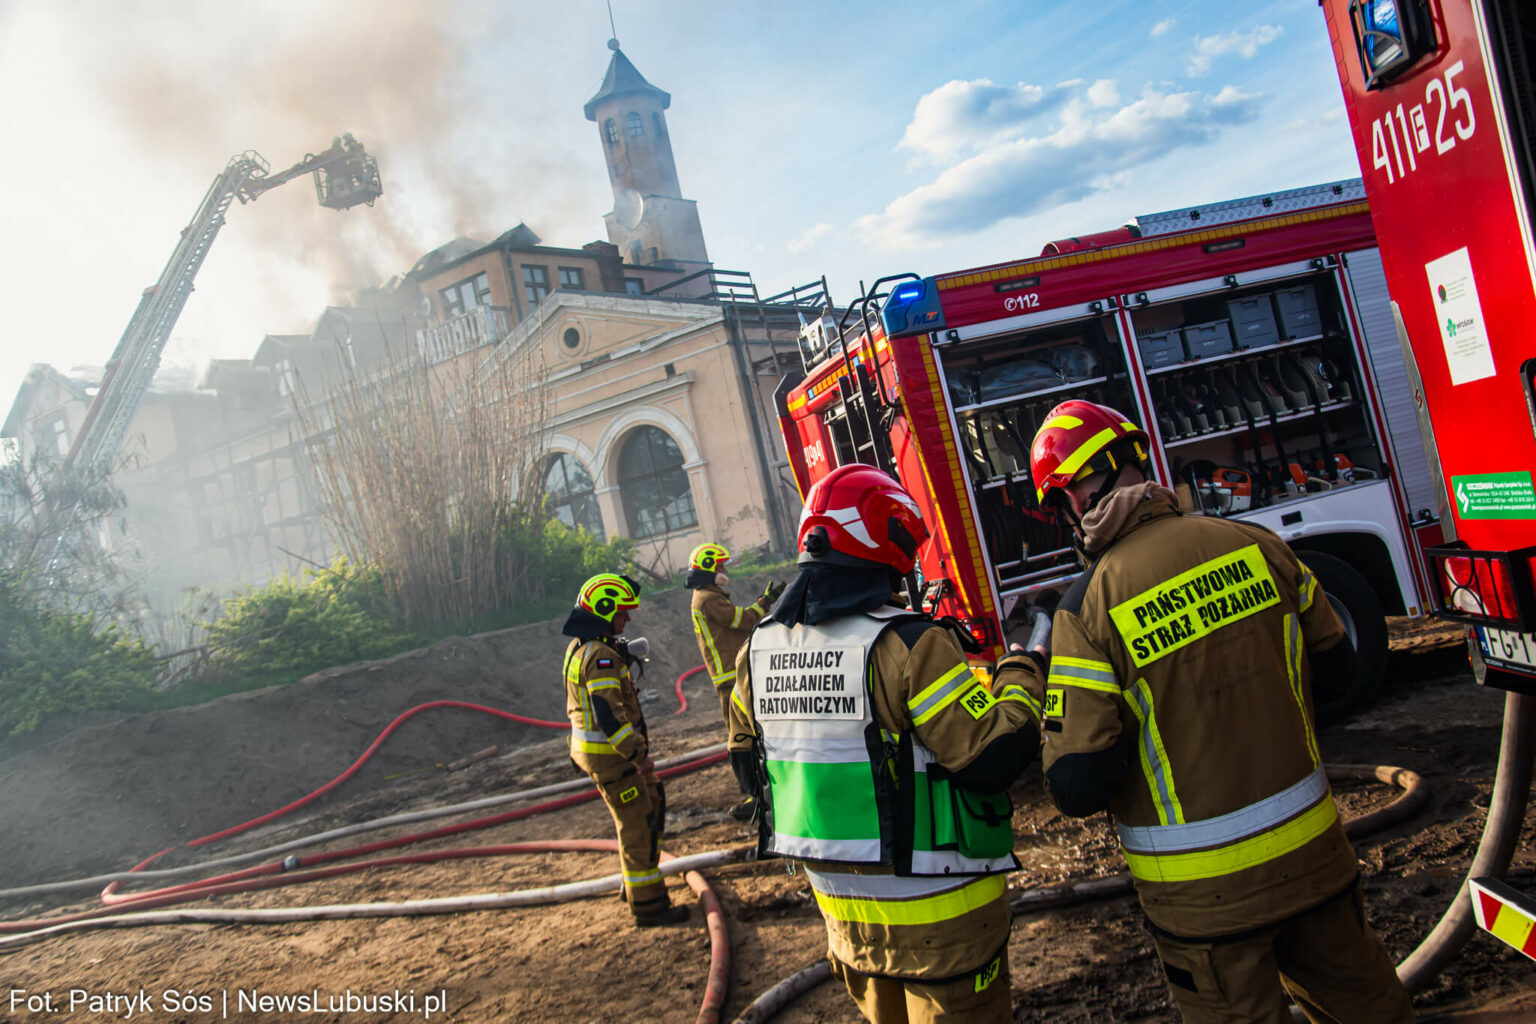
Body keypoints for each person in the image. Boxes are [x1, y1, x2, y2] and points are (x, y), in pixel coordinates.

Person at [1004, 398, 1412, 1023]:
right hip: (1317, 866)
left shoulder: (1086, 609)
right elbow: (1338, 675)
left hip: (1206, 907)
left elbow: (1076, 783)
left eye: (1063, 500)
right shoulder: (1257, 545)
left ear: (1082, 494)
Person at [727, 464, 1042, 1023]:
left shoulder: (757, 649)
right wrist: (1021, 673)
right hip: (944, 921)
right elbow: (991, 757)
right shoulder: (909, 644)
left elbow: (749, 767)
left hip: (847, 920)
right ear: (886, 545)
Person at [561, 572, 688, 927]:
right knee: (638, 826)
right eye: (622, 611)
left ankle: (633, 888)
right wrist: (639, 756)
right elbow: (609, 716)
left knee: (653, 804)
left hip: (606, 759)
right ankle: (649, 906)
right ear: (603, 610)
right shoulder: (598, 657)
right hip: (615, 760)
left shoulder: (584, 648)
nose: (628, 618)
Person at [685, 541, 784, 820]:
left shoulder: (709, 595)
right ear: (708, 569)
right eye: (720, 566)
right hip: (732, 678)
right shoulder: (708, 599)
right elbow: (745, 619)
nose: (724, 569)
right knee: (744, 738)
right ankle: (758, 796)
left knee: (750, 735)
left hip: (733, 675)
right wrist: (766, 603)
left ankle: (761, 794)